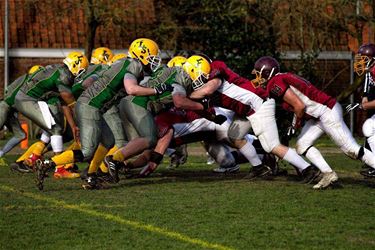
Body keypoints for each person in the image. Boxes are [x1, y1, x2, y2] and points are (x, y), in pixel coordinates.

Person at [35, 38, 171, 190]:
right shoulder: (133, 64)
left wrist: (101, 88)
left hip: (92, 105)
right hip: (91, 106)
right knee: (87, 151)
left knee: (108, 141)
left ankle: (91, 176)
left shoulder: (121, 64)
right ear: (141, 56)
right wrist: (156, 90)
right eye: (152, 58)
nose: (154, 62)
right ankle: (48, 163)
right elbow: (132, 89)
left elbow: (88, 82)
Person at [253, 55, 375, 189]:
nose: (258, 78)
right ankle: (328, 174)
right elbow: (299, 106)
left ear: (267, 72)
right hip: (318, 115)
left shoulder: (275, 82)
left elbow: (299, 106)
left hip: (326, 111)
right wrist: (294, 124)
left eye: (259, 74)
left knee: (351, 149)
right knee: (302, 145)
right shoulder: (281, 78)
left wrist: (295, 125)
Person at [189, 59, 319, 182]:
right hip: (246, 109)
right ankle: (259, 168)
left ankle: (308, 169)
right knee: (235, 137)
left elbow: (208, 89)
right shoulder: (205, 82)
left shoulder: (215, 71)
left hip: (258, 105)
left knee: (272, 146)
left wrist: (185, 96)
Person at [104, 54, 218, 179]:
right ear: (192, 70)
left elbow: (188, 102)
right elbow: (179, 102)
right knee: (149, 139)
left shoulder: (175, 74)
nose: (203, 81)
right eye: (202, 77)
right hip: (138, 104)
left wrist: (211, 117)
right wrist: (203, 106)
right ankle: (114, 159)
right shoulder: (180, 79)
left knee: (142, 145)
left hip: (130, 103)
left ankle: (107, 170)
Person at [0, 65, 44, 165]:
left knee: (21, 135)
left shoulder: (25, 79)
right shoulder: (28, 81)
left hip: (10, 110)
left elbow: (8, 89)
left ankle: (0, 154)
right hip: (5, 106)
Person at [353, 43, 375, 177]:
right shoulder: (370, 72)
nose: (361, 62)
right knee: (368, 128)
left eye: (365, 58)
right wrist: (364, 102)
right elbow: (366, 97)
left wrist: (363, 106)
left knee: (369, 127)